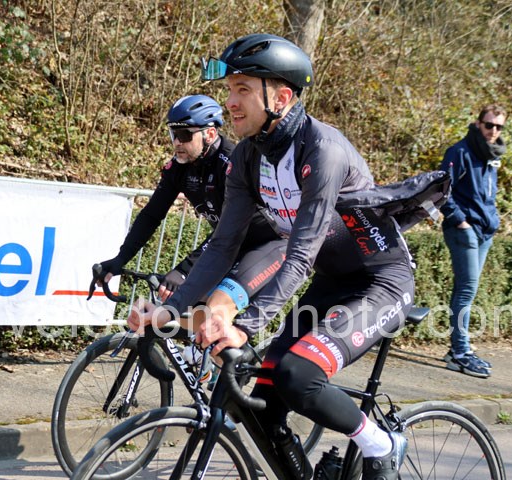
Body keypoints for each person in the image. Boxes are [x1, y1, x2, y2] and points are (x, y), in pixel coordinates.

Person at [128, 34, 415, 480]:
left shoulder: (322, 149)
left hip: (381, 282)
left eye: (242, 90)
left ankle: (382, 443)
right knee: (261, 405)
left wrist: (244, 326)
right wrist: (172, 307)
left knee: (298, 376)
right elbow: (223, 245)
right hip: (331, 282)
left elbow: (299, 254)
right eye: (230, 90)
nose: (230, 103)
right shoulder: (247, 156)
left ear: (280, 98)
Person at [96, 94, 286, 333]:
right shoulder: (179, 168)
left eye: (185, 135)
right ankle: (205, 357)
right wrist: (120, 259)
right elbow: (151, 215)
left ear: (210, 133)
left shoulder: (232, 163)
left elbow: (233, 231)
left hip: (270, 245)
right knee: (189, 310)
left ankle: (233, 352)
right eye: (173, 134)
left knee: (216, 309)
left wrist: (184, 270)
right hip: (230, 246)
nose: (177, 142)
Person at [439, 104, 507, 379]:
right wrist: (460, 221)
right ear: (478, 124)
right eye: (489, 125)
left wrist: (493, 219)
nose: (493, 131)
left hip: (484, 231)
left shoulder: (492, 153)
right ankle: (460, 353)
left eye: (499, 126)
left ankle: (456, 349)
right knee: (466, 290)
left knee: (465, 290)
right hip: (464, 229)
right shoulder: (460, 151)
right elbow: (442, 190)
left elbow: (486, 194)